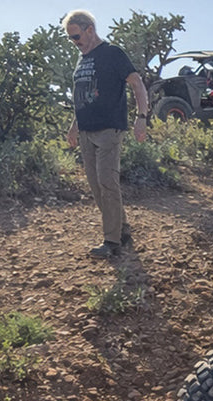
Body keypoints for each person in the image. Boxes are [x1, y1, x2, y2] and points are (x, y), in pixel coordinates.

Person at [63, 9, 149, 259]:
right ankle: (122, 231)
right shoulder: (82, 60)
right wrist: (74, 126)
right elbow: (82, 97)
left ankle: (112, 241)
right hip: (86, 130)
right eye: (70, 38)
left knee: (107, 183)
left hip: (109, 129)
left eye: (76, 36)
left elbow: (137, 83)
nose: (74, 42)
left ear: (89, 29)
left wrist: (141, 117)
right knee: (96, 186)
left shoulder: (112, 53)